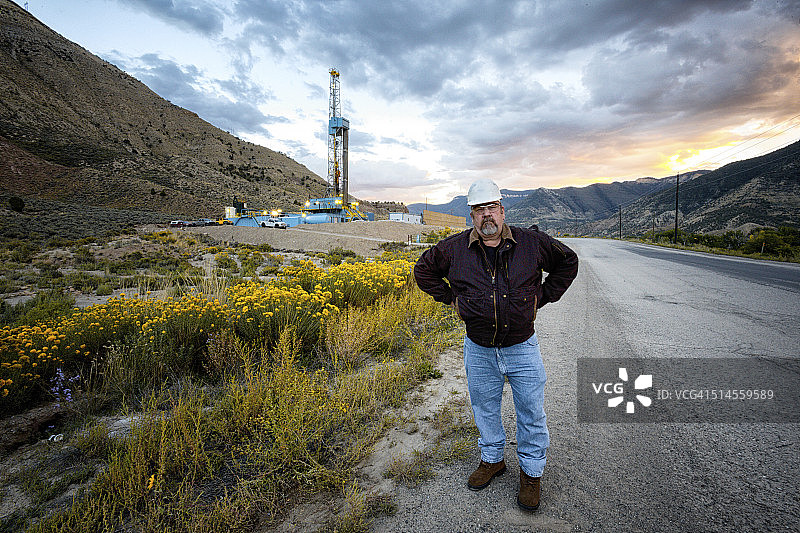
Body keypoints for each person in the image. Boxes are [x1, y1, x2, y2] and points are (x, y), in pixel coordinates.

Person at [413, 178, 578, 511]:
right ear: (471, 215)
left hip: (522, 346)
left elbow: (568, 262)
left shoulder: (532, 243)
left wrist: (541, 298)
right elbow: (423, 271)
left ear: (502, 210)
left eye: (491, 208)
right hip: (479, 348)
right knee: (484, 407)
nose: (486, 215)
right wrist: (453, 301)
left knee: (530, 412)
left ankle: (531, 473)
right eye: (479, 209)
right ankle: (492, 460)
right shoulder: (453, 249)